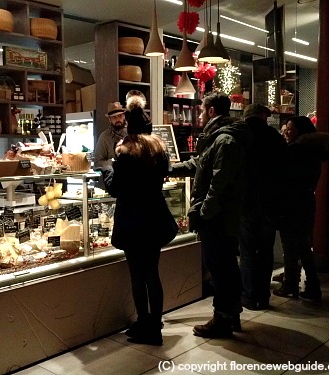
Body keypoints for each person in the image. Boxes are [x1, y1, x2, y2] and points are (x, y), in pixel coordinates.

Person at [170, 92, 252, 338]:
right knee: (224, 266)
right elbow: (198, 164)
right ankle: (231, 314)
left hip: (219, 217)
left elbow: (220, 182)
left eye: (202, 110)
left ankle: (223, 319)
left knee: (221, 267)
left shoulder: (225, 139)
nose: (201, 114)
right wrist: (168, 167)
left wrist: (205, 212)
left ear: (212, 111)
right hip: (220, 215)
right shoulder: (220, 137)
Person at [101, 91, 178, 346]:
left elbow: (115, 187)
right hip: (155, 219)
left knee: (137, 275)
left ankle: (145, 322)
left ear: (130, 128)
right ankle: (154, 324)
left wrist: (110, 168)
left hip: (133, 222)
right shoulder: (158, 151)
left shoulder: (125, 154)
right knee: (152, 274)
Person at [273, 116, 329, 302]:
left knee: (290, 246)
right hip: (305, 202)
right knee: (304, 247)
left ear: (300, 131)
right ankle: (312, 286)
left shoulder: (296, 150)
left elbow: (284, 178)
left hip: (291, 203)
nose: (286, 131)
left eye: (290, 128)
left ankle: (290, 284)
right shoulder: (314, 150)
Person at [238, 104, 287, 311]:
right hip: (270, 203)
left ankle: (249, 296)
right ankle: (263, 296)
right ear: (262, 116)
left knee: (247, 250)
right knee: (265, 251)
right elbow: (285, 170)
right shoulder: (275, 137)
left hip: (246, 202)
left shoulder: (241, 135)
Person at [94, 102, 127, 169]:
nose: (118, 119)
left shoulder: (132, 134)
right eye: (114, 117)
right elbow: (97, 162)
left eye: (120, 116)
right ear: (109, 119)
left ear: (124, 116)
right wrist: (112, 163)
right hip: (113, 177)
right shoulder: (104, 137)